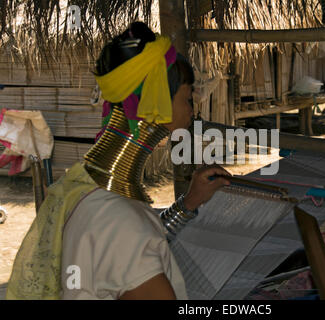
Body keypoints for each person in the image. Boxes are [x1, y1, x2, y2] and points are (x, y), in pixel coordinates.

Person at [6, 22, 230, 300]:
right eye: (187, 97)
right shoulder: (119, 218)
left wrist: (188, 204)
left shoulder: (84, 188)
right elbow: (129, 240)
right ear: (156, 101)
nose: (192, 108)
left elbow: (127, 249)